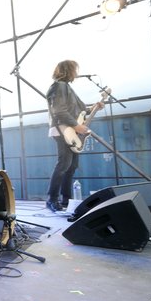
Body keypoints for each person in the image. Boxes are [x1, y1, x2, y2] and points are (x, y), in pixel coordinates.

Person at [45, 60, 104, 212]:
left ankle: (67, 200)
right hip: (63, 129)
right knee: (63, 164)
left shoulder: (67, 88)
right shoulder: (59, 86)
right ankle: (52, 199)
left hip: (69, 129)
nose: (76, 73)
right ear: (68, 71)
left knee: (71, 166)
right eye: (75, 70)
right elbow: (59, 111)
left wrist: (95, 108)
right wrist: (77, 126)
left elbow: (81, 112)